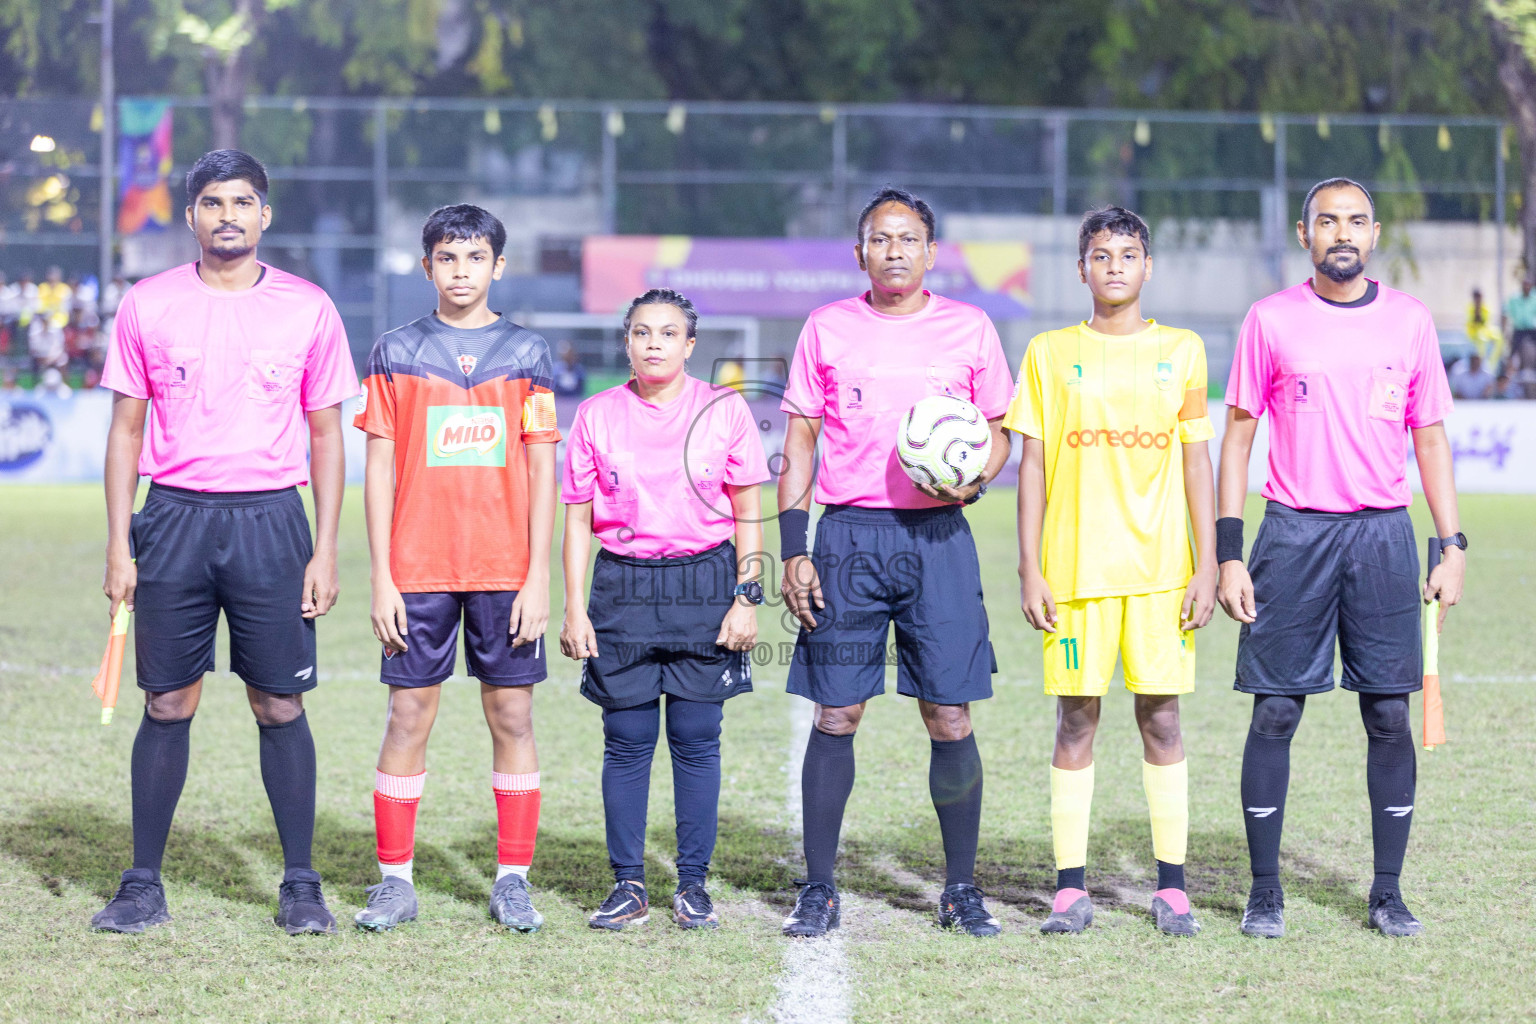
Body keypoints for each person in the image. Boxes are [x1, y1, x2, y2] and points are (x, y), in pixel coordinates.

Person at [94, 149, 358, 936]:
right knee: (166, 699)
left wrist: (327, 549)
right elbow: (125, 431)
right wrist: (118, 544)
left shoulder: (308, 307)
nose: (229, 215)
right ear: (192, 217)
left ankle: (301, 885)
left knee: (279, 701)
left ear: (265, 216)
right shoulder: (148, 303)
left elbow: (327, 437)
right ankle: (142, 884)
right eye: (213, 202)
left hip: (273, 521)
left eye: (243, 202)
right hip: (172, 517)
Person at [1218, 177, 1464, 939]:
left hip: (1383, 535)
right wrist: (1229, 553)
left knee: (1389, 715)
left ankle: (1387, 893)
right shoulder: (1270, 320)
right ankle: (1265, 892)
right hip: (1291, 534)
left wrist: (1451, 545)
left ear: (1375, 231)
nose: (1342, 233)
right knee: (1278, 711)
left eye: (1355, 220)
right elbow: (1235, 438)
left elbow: (1429, 439)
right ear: (1305, 234)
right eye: (1328, 221)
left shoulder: (1411, 322)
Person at [777, 187, 1014, 938]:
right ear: (860, 253)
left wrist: (977, 476)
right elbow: (801, 443)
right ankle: (818, 888)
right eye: (881, 239)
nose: (895, 251)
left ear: (931, 252)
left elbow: (1002, 431)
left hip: (939, 538)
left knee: (949, 714)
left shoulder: (970, 329)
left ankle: (961, 888)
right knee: (837, 711)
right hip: (848, 538)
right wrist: (794, 547)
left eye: (908, 239)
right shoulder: (827, 327)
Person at [350, 205, 560, 933]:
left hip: (505, 569)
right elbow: (377, 470)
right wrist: (382, 575)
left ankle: (512, 880)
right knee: (408, 711)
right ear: (426, 266)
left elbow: (542, 471)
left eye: (475, 258)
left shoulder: (529, 353)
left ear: (499, 266)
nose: (461, 271)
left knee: (513, 713)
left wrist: (538, 577)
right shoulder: (394, 351)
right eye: (447, 258)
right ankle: (395, 881)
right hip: (418, 567)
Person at [1009, 206, 1216, 938]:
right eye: (1101, 255)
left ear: (1148, 267)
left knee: (1162, 717)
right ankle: (1070, 889)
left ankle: (1174, 888)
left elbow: (1197, 459)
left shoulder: (1184, 351)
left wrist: (1209, 564)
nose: (1115, 267)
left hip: (1162, 573)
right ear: (1082, 269)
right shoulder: (1048, 352)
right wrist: (1031, 567)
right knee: (1076, 719)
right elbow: (1031, 463)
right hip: (1073, 575)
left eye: (1128, 254)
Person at [560, 288, 769, 931]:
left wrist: (746, 596)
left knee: (696, 741)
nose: (655, 343)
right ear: (626, 342)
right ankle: (627, 885)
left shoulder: (723, 409)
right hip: (621, 587)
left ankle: (694, 884)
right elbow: (575, 521)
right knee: (625, 743)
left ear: (690, 344)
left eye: (669, 333)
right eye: (642, 332)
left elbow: (747, 512)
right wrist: (574, 607)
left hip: (704, 586)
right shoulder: (596, 414)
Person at [1466, 288, 1504, 369]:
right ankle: (1481, 363)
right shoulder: (1470, 308)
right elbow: (1472, 323)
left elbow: (1484, 322)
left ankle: (1492, 363)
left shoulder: (1485, 308)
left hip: (1484, 330)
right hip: (1473, 332)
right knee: (1481, 338)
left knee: (1498, 337)